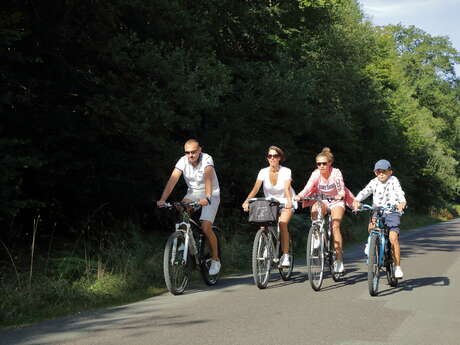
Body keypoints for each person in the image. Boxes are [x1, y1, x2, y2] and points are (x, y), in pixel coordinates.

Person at [157, 139, 221, 275]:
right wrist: (163, 199)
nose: (190, 155)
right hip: (194, 193)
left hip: (211, 194)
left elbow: (208, 178)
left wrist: (208, 197)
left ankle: (215, 260)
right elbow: (172, 180)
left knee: (205, 227)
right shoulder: (183, 161)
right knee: (180, 208)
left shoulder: (207, 159)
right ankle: (184, 239)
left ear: (200, 150)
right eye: (187, 152)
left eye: (193, 152)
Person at [295, 147, 351, 274]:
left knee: (335, 226)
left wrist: (341, 194)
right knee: (315, 208)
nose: (321, 166)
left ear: (330, 163)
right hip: (322, 201)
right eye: (318, 164)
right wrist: (299, 196)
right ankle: (317, 234)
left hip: (336, 201)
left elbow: (340, 186)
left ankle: (338, 260)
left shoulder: (336, 172)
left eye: (324, 163)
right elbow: (308, 188)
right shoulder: (315, 174)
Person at [242, 146, 296, 267]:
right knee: (263, 223)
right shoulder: (263, 171)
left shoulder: (286, 171)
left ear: (280, 158)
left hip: (285, 201)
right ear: (267, 158)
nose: (272, 158)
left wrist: (288, 201)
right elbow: (255, 189)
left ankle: (286, 255)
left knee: (282, 223)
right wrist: (247, 201)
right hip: (270, 203)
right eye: (270, 156)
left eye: (275, 156)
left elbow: (287, 188)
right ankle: (267, 245)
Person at [352, 159, 406, 279]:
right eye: (378, 172)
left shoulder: (393, 181)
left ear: (390, 172)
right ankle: (371, 244)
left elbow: (400, 193)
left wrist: (402, 202)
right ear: (375, 173)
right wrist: (356, 200)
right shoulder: (374, 182)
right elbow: (364, 192)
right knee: (371, 226)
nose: (381, 174)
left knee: (393, 238)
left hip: (392, 212)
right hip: (377, 211)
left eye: (384, 171)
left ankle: (397, 267)